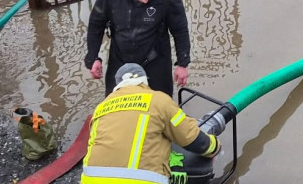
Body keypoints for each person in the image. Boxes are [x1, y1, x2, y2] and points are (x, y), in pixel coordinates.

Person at [80, 63, 220, 184]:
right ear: (144, 82)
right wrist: (215, 148)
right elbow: (191, 137)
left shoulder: (101, 108)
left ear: (118, 86)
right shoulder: (159, 100)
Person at [85, 0, 190, 96]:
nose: (145, 1)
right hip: (120, 58)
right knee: (115, 100)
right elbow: (95, 25)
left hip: (156, 59)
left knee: (160, 102)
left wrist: (182, 64)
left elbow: (180, 31)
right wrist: (93, 58)